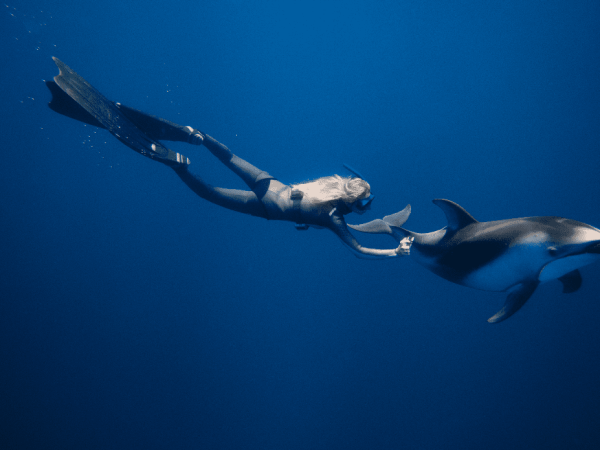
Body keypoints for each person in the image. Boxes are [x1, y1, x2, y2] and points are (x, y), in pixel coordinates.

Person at [46, 57, 413, 259]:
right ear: (354, 204)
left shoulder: (330, 183)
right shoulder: (335, 217)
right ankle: (177, 164)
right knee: (205, 192)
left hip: (271, 182)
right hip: (269, 207)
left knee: (229, 154)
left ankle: (197, 136)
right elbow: (360, 250)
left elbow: (347, 189)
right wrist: (393, 253)